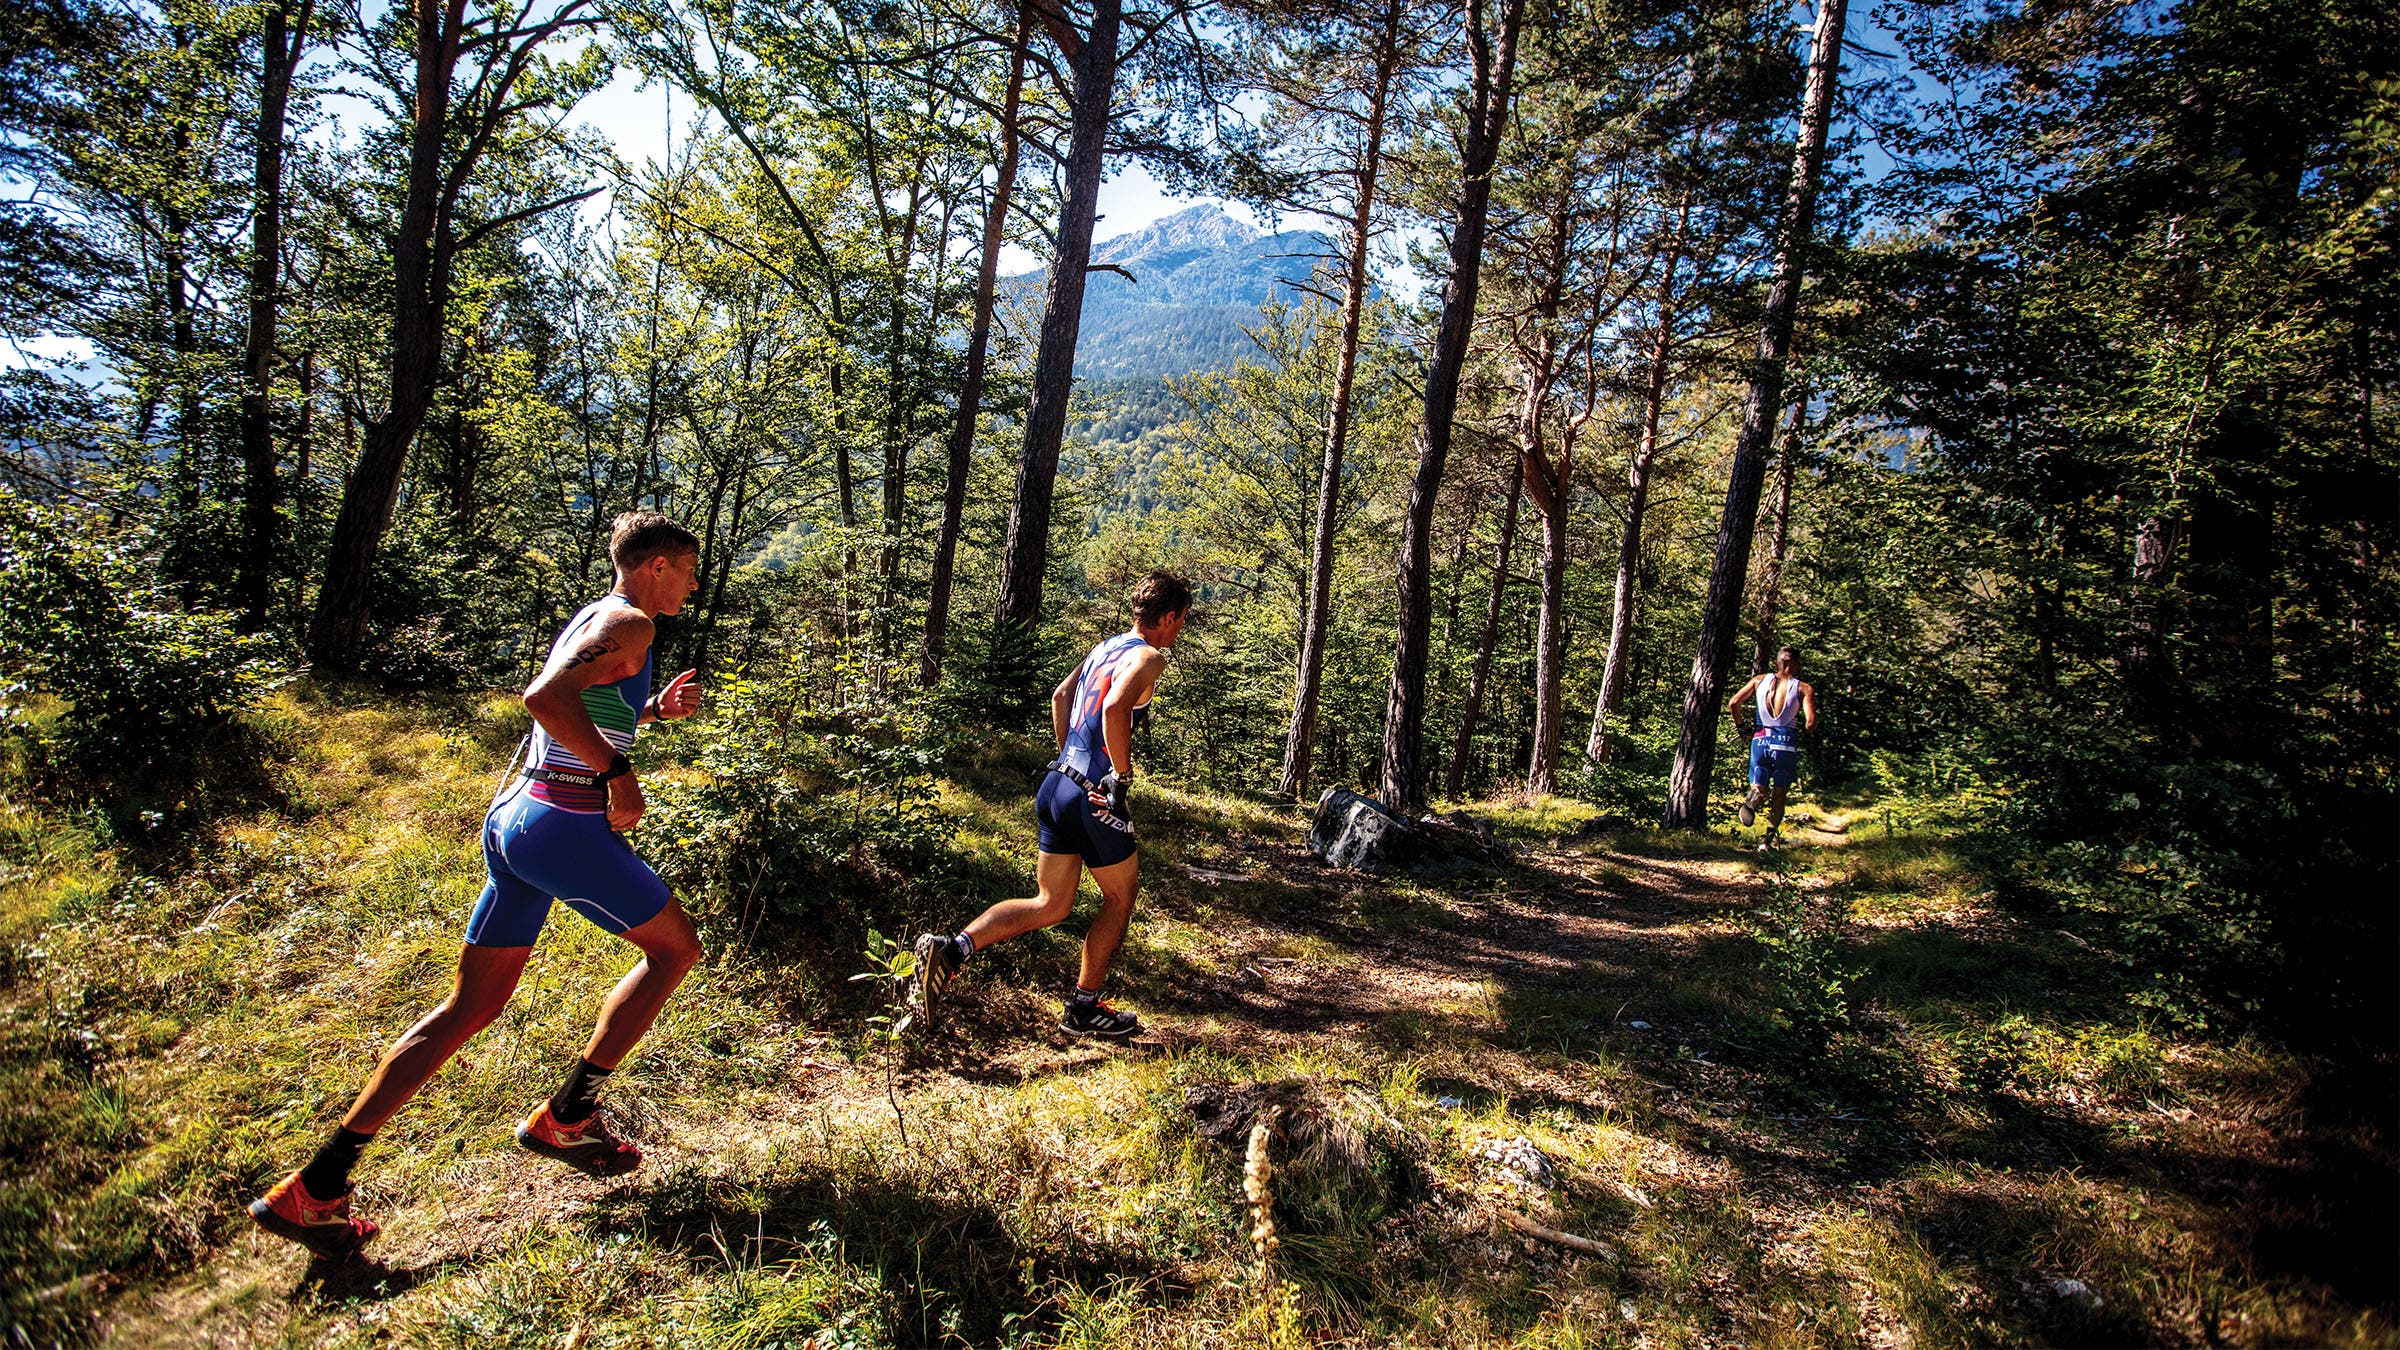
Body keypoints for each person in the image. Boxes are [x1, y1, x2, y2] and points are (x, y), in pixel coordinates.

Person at [248, 512, 708, 1259]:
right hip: (562, 824)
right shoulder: (631, 623)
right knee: (676, 950)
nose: (693, 582)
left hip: (515, 818)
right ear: (656, 566)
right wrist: (618, 775)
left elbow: (587, 704)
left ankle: (316, 1185)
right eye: (687, 569)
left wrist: (651, 711)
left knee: (471, 1005)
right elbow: (545, 698)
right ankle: (568, 1116)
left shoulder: (601, 619)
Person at [907, 572, 1193, 1039]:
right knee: (1120, 898)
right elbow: (1114, 709)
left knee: (1051, 903)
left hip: (1057, 785)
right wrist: (1120, 778)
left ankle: (952, 949)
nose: (1181, 628)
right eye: (1181, 619)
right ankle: (1084, 1008)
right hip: (1093, 796)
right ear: (1167, 617)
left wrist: (1067, 764)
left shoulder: (1106, 647)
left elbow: (1062, 696)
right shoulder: (1149, 656)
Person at [1726, 646, 1818, 849]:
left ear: (1778, 662)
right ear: (1794, 664)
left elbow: (1734, 703)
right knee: (1779, 794)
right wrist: (1811, 729)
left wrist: (1742, 728)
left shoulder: (1759, 680)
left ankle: (1754, 798)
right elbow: (1810, 723)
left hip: (1760, 739)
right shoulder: (1804, 688)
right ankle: (1766, 841)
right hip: (1785, 743)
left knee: (1759, 786)